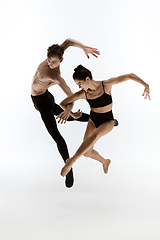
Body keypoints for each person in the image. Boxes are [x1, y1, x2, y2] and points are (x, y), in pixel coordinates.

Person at [56, 65, 151, 177]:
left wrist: (146, 85)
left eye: (79, 84)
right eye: (78, 85)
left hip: (108, 121)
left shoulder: (106, 85)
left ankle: (71, 161)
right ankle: (105, 161)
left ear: (87, 79)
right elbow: (63, 103)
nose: (79, 87)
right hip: (93, 120)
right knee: (87, 152)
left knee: (95, 135)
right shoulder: (84, 94)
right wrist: (71, 114)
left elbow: (129, 76)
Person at [31, 38, 100, 188]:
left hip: (44, 102)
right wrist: (84, 47)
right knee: (71, 118)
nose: (50, 64)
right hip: (42, 98)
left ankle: (68, 169)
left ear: (61, 59)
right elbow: (68, 41)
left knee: (56, 135)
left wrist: (68, 109)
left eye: (54, 62)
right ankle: (101, 120)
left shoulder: (56, 77)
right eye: (49, 60)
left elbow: (70, 94)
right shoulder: (56, 52)